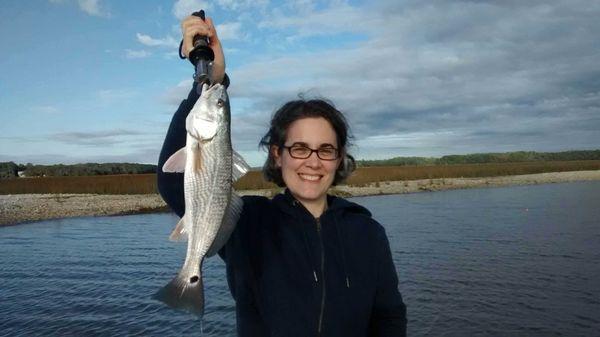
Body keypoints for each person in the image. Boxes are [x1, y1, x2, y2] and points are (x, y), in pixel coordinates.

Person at [157, 14, 407, 337]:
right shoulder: (249, 225)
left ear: (339, 158)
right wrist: (209, 80)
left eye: (326, 149)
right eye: (300, 148)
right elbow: (172, 184)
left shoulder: (369, 233)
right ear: (278, 154)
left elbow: (389, 318)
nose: (313, 162)